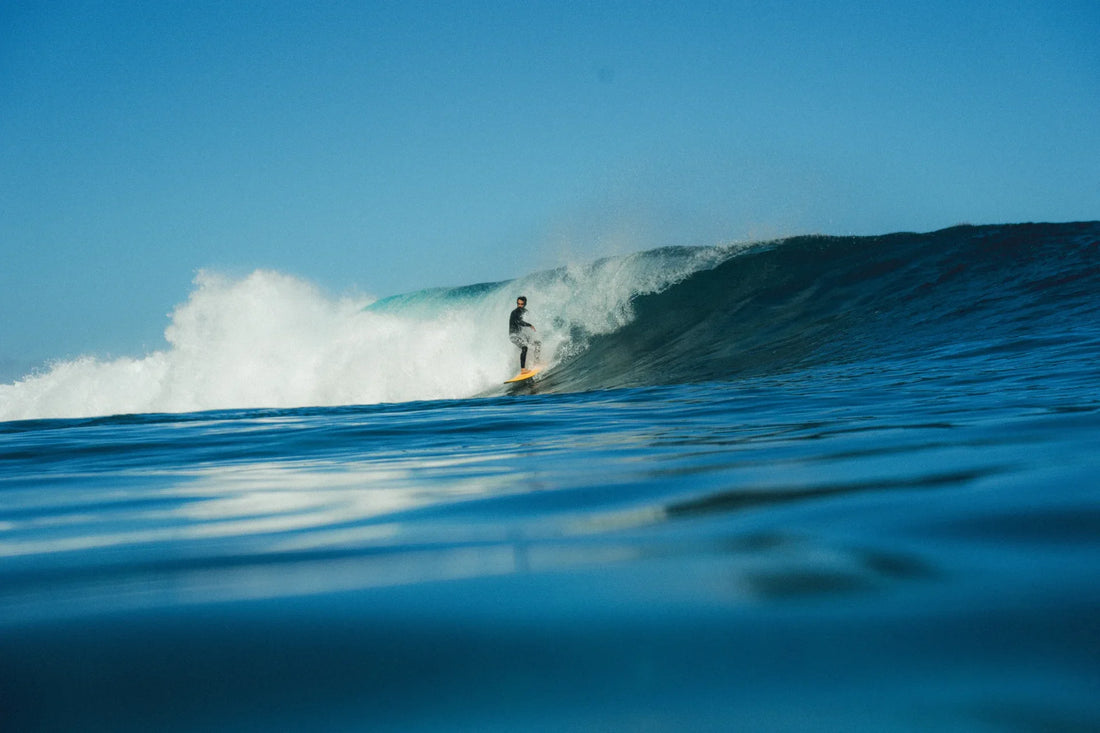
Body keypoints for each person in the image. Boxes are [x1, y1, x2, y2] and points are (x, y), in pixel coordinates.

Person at [509, 295, 541, 372]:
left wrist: (528, 337)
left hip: (520, 336)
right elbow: (518, 322)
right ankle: (523, 369)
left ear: (525, 304)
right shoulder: (514, 313)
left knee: (537, 344)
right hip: (513, 336)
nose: (519, 306)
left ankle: (536, 362)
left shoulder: (525, 311)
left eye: (521, 304)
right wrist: (529, 325)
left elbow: (522, 328)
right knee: (524, 347)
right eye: (518, 304)